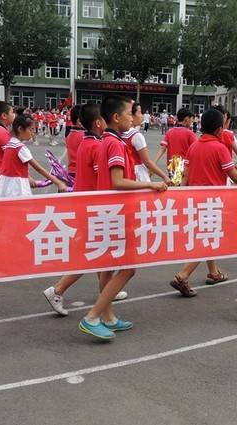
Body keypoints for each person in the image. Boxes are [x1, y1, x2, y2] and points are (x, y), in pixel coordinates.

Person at [78, 96, 167, 340]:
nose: (132, 117)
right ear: (116, 118)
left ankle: (108, 317)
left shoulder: (106, 140)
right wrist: (150, 185)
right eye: (129, 113)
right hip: (114, 214)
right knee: (128, 268)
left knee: (106, 270)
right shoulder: (115, 144)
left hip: (106, 212)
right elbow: (117, 182)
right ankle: (92, 316)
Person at [42, 103, 127, 316]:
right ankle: (58, 289)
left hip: (85, 202)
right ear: (99, 123)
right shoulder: (97, 146)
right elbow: (104, 176)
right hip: (94, 206)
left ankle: (107, 291)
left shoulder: (84, 142)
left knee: (99, 254)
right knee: (94, 254)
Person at [169, 109, 237, 298]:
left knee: (208, 235)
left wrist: (178, 193)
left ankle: (213, 273)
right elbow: (235, 175)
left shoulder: (194, 147)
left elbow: (186, 177)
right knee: (208, 239)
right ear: (218, 129)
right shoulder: (220, 148)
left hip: (195, 200)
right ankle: (183, 275)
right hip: (214, 202)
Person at [0, 113, 67, 198]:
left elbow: (2, 169)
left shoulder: (9, 144)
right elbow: (38, 168)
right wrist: (58, 182)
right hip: (17, 188)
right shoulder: (20, 148)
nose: (32, 133)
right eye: (31, 130)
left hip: (5, 186)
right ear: (20, 129)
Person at [123, 102, 170, 184]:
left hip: (125, 173)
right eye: (140, 112)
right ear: (131, 115)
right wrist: (164, 176)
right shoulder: (136, 135)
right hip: (137, 174)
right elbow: (147, 162)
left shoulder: (120, 133)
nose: (142, 115)